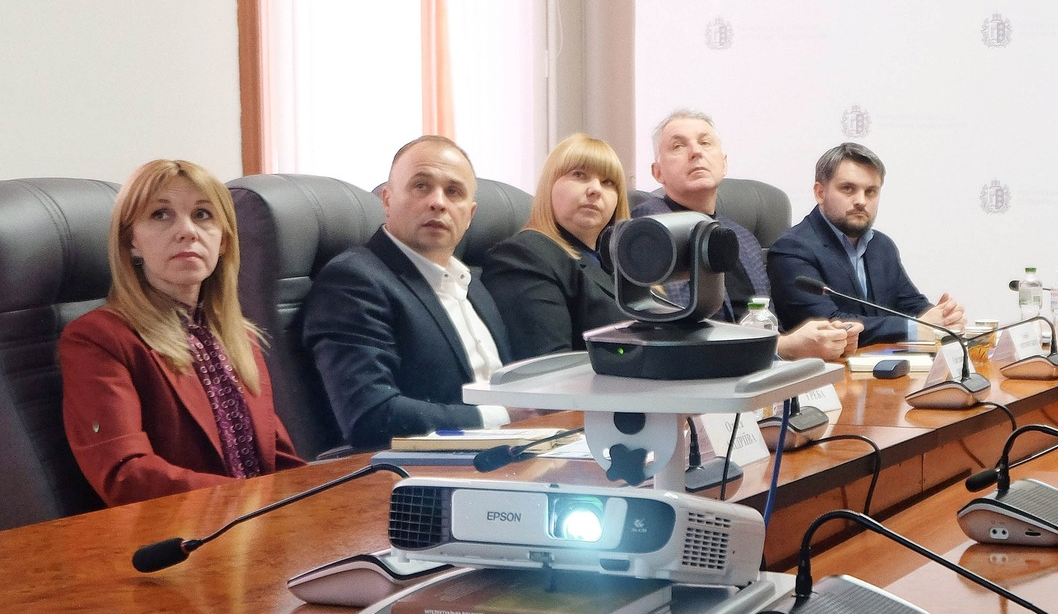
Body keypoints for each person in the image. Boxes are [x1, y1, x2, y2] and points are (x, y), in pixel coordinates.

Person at [60, 159, 303, 505]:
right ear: (131, 242)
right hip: (180, 532)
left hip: (257, 522)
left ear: (223, 240)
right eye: (160, 215)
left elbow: (276, 459)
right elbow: (125, 474)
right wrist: (250, 502)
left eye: (203, 215)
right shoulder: (98, 338)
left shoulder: (239, 336)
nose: (187, 231)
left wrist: (321, 500)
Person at [301, 136, 517, 449]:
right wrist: (505, 416)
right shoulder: (353, 282)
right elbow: (370, 416)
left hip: (515, 449)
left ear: (470, 215)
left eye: (453, 192)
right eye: (421, 186)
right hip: (429, 467)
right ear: (387, 200)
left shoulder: (470, 283)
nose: (438, 202)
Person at [634, 109, 859, 360]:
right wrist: (784, 347)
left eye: (705, 143)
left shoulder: (742, 237)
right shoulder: (651, 230)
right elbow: (682, 331)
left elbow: (766, 320)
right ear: (657, 172)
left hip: (759, 372)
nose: (696, 152)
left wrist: (828, 339)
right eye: (678, 146)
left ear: (724, 163)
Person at [769, 142, 966, 344]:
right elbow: (828, 325)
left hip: (882, 359)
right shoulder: (792, 249)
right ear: (820, 193)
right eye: (848, 189)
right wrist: (916, 327)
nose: (861, 201)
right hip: (827, 363)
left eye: (871, 191)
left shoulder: (881, 245)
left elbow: (909, 304)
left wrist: (942, 318)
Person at [484, 133, 632, 360]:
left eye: (608, 182)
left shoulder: (623, 263)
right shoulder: (523, 256)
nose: (595, 189)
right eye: (579, 175)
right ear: (549, 186)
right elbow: (549, 367)